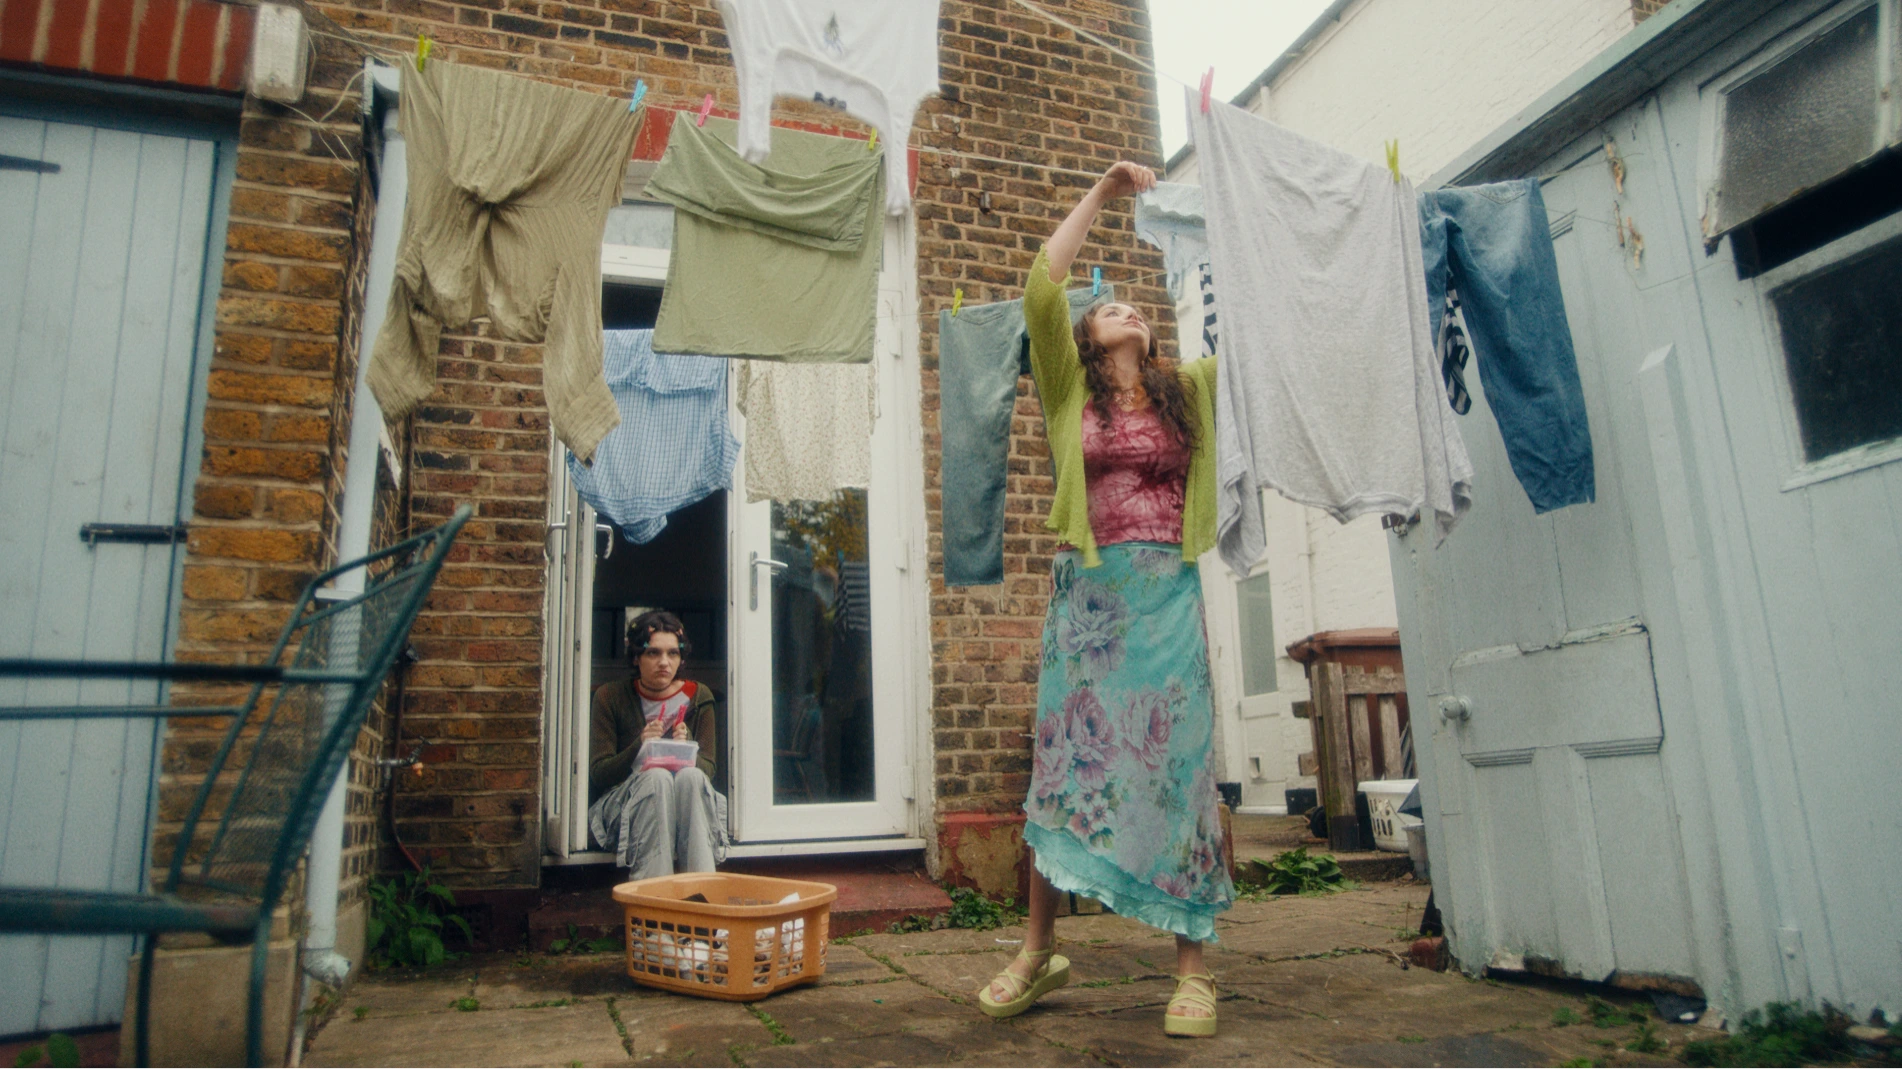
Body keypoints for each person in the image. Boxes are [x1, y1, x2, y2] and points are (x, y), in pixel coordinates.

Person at [976, 161, 1235, 1037]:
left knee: (1180, 770)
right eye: (1108, 305)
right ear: (1086, 334)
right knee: (1065, 769)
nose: (1126, 306)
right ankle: (1039, 948)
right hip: (1090, 603)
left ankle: (1193, 967)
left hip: (1166, 594)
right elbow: (1040, 285)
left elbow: (1255, 354)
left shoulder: (1187, 392)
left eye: (1135, 305)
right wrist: (1101, 191)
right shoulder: (1067, 390)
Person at [587, 610, 727, 879]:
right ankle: (655, 903)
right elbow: (600, 774)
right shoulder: (610, 696)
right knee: (657, 778)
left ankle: (702, 897)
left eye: (673, 653)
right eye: (653, 653)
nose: (664, 662)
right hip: (625, 808)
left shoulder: (698, 696)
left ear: (681, 657)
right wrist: (639, 747)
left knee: (691, 776)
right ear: (636, 657)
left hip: (686, 805)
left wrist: (686, 750)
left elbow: (709, 769)